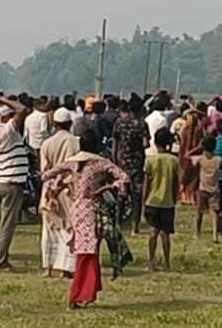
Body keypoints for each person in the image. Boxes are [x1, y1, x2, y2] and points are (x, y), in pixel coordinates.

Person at [43, 128, 129, 309]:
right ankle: (79, 294)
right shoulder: (100, 164)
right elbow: (124, 177)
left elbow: (46, 175)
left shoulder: (73, 164)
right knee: (88, 254)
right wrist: (107, 187)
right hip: (93, 211)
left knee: (86, 252)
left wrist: (60, 184)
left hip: (77, 210)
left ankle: (86, 292)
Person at [38, 107, 81, 276]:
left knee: (49, 229)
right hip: (68, 189)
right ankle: (66, 268)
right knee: (69, 227)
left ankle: (48, 267)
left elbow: (44, 169)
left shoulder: (47, 143)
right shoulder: (75, 142)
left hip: (50, 190)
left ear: (55, 124)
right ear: (70, 124)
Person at [0, 100, 29, 270]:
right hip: (12, 181)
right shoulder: (9, 130)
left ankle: (0, 255)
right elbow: (22, 109)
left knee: (2, 223)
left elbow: (0, 115)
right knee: (7, 225)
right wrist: (4, 99)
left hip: (0, 181)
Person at [142, 127, 180, 270]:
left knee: (153, 232)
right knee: (165, 234)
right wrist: (175, 197)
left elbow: (147, 183)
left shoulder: (150, 161)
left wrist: (144, 200)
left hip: (153, 200)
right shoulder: (174, 160)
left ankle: (151, 262)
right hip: (168, 201)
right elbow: (176, 182)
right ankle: (167, 263)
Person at [111, 99, 149, 234]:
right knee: (136, 195)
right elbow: (145, 144)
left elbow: (115, 143)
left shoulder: (119, 123)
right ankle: (135, 227)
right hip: (137, 163)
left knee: (121, 194)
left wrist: (115, 159)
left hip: (122, 162)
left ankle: (118, 224)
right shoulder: (142, 124)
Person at [194, 134, 222, 242]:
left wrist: (197, 147)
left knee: (199, 213)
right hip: (215, 189)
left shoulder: (200, 159)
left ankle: (197, 233)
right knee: (214, 213)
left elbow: (186, 156)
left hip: (202, 189)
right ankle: (215, 236)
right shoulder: (218, 159)